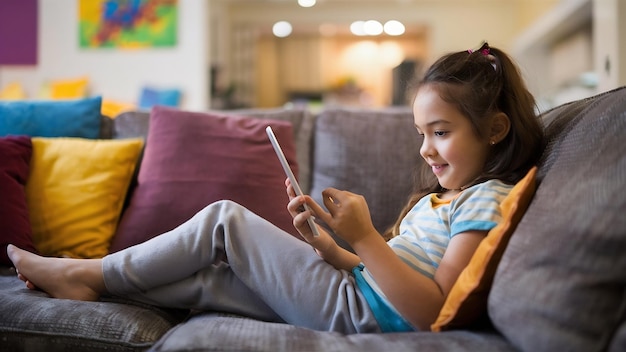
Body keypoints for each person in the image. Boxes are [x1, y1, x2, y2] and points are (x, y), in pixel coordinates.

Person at [7, 42, 544, 333]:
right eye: (421, 134)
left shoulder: (485, 199)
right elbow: (381, 273)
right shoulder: (444, 199)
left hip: (360, 313)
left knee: (224, 219)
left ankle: (86, 269)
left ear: (495, 129)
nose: (426, 149)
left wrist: (366, 238)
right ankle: (91, 284)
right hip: (357, 295)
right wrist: (333, 247)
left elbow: (430, 311)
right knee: (211, 280)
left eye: (441, 132)